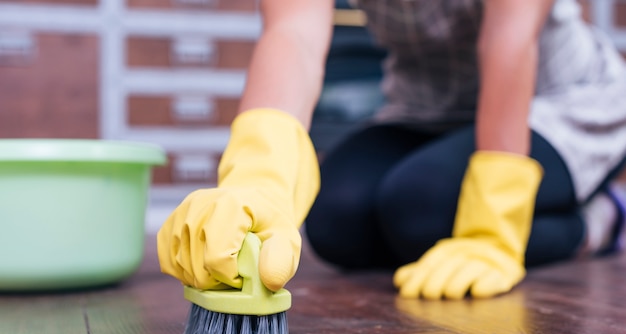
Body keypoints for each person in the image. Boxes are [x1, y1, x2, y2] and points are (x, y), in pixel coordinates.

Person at [157, 0, 626, 300]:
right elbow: (295, 33)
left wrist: (492, 228)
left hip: (555, 100)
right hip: (426, 108)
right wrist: (257, 178)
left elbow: (508, 41)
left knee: (419, 211)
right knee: (336, 221)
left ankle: (598, 219)